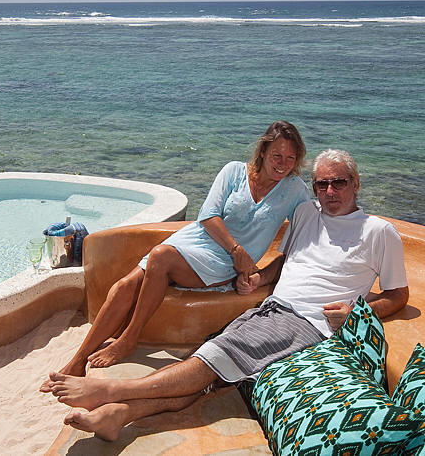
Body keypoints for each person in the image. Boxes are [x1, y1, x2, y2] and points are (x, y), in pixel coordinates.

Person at [45, 149, 409, 442]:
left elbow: (398, 295)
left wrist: (357, 311)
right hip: (271, 309)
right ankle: (120, 416)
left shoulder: (378, 232)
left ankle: (110, 392)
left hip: (307, 323)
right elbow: (286, 260)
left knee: (207, 360)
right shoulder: (307, 213)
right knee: (209, 371)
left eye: (339, 183)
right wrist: (259, 278)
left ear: (356, 183)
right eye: (322, 184)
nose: (330, 192)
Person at [40, 120, 309, 392]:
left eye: (290, 158)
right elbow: (208, 215)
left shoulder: (295, 189)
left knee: (161, 257)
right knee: (124, 286)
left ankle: (129, 338)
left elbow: (303, 233)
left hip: (221, 263)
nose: (282, 163)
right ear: (263, 151)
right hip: (198, 240)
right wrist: (237, 250)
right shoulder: (234, 171)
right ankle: (77, 361)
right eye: (277, 155)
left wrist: (260, 275)